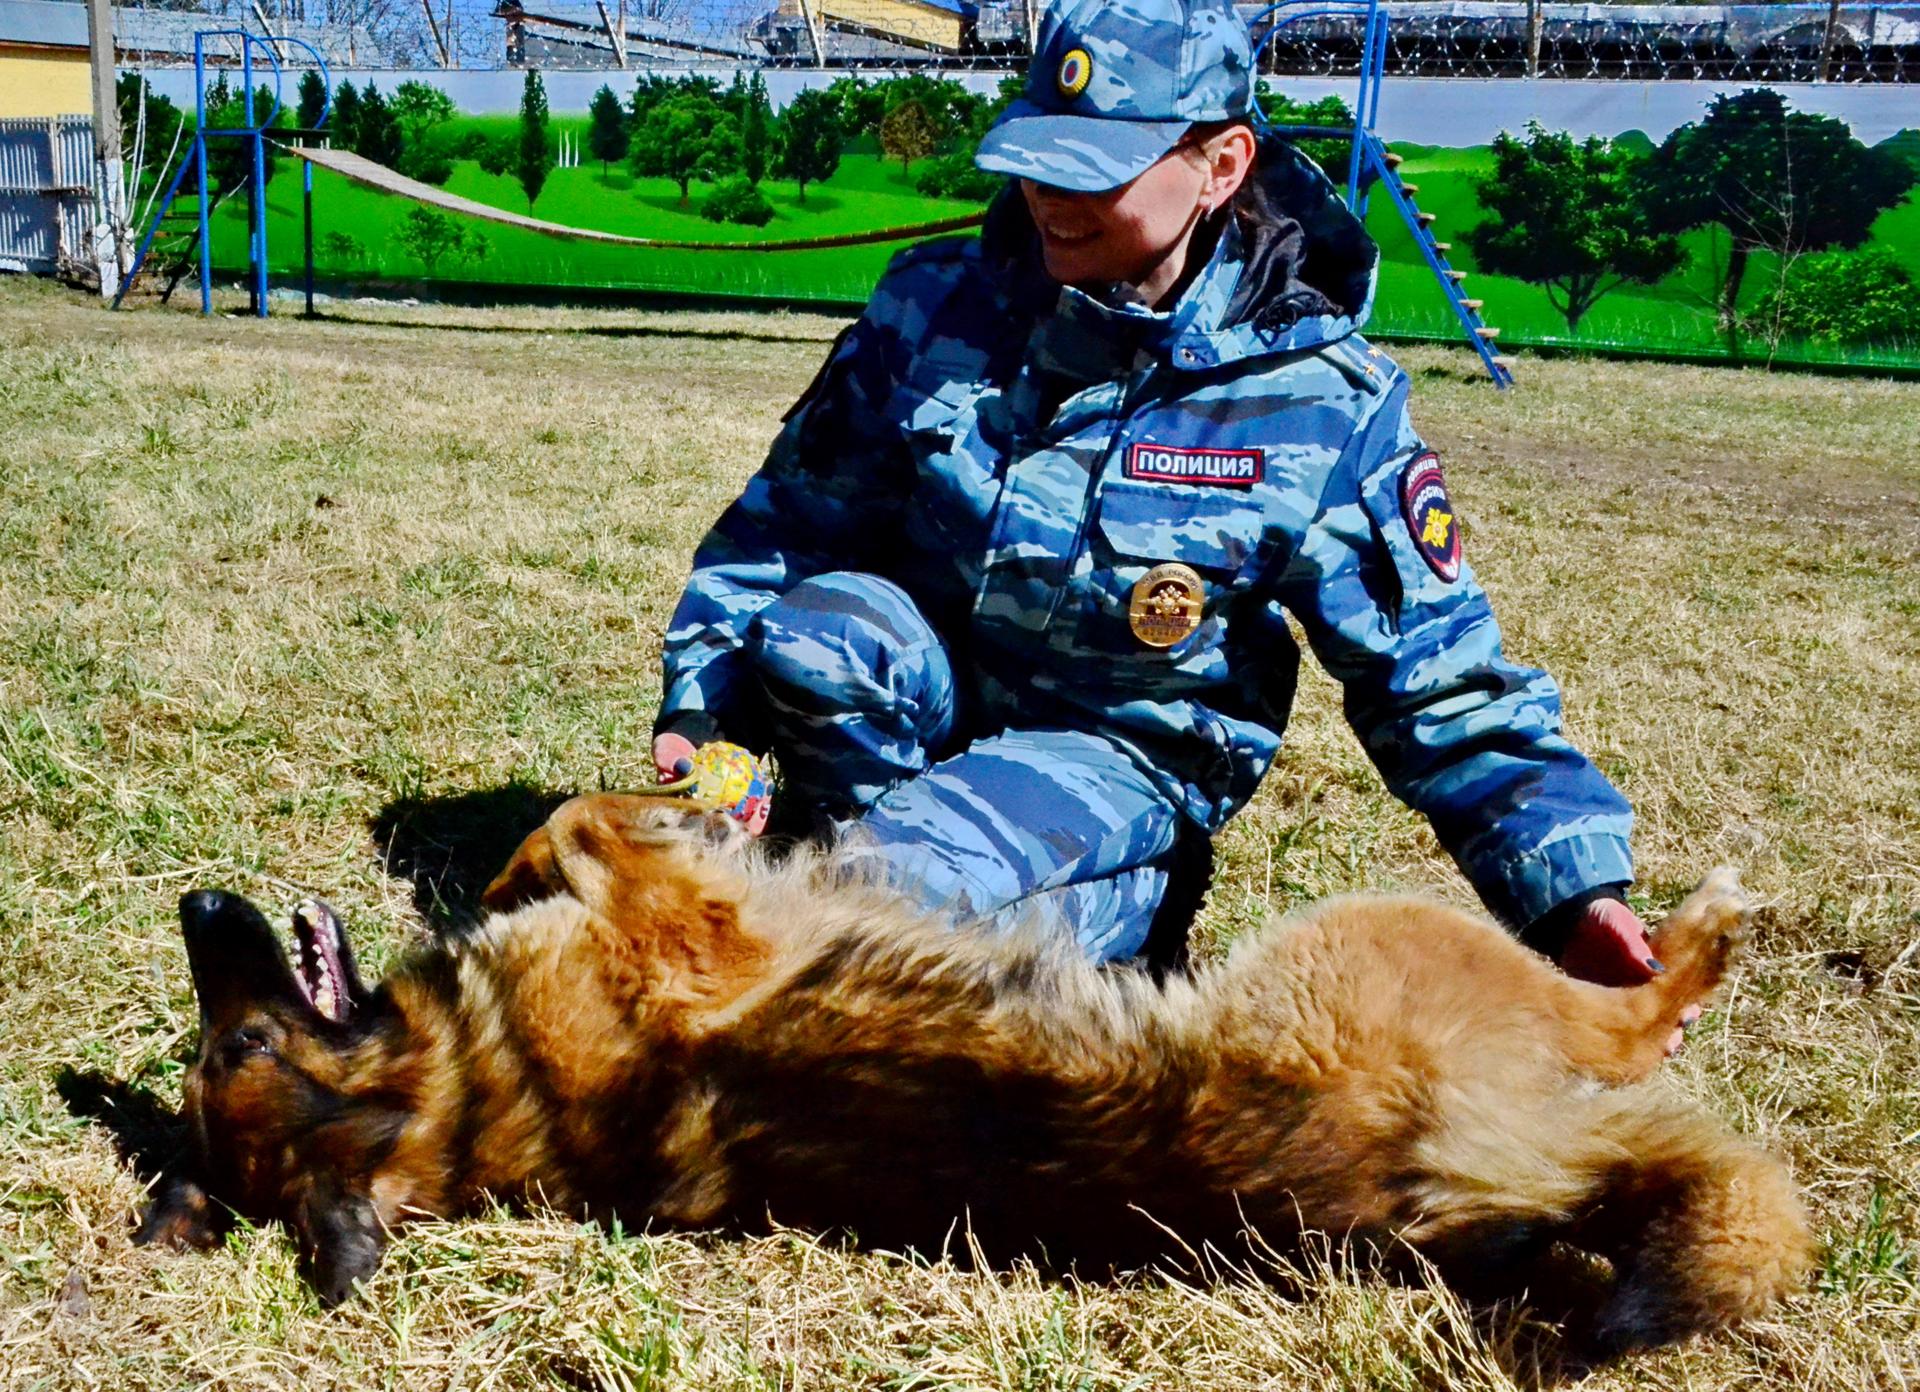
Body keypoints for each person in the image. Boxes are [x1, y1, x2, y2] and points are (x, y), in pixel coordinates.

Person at [652, 0, 1698, 1039]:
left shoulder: (1319, 399)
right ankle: (873, 879)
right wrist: (702, 713)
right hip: (934, 704)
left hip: (1118, 759)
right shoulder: (936, 304)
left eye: (1095, 169)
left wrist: (1572, 899)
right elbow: (792, 520)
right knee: (813, 642)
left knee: (882, 917)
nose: (1051, 198)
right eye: (1036, 158)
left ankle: (1047, 909)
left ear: (1223, 165)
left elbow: (1436, 678)